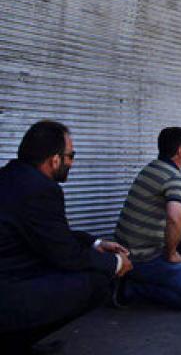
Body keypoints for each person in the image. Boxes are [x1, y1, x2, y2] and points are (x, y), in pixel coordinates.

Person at [0, 121, 133, 353]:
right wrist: (116, 263)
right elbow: (65, 255)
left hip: (11, 273)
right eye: (71, 156)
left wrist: (96, 243)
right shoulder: (41, 190)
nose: (72, 163)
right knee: (98, 281)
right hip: (8, 291)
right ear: (54, 160)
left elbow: (48, 233)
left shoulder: (10, 177)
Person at [113, 127, 181, 310]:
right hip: (141, 257)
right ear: (180, 151)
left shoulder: (152, 168)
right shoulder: (174, 178)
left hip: (125, 247)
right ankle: (130, 288)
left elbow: (172, 209)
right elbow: (173, 218)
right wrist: (171, 254)